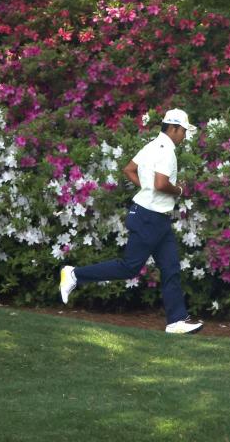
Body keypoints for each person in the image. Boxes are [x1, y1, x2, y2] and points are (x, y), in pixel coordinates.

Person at [59, 108, 203, 334]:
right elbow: (160, 184)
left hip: (155, 218)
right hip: (150, 218)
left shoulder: (152, 146)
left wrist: (146, 189)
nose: (184, 136)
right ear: (174, 128)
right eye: (184, 131)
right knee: (129, 267)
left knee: (171, 268)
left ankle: (176, 321)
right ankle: (75, 274)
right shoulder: (167, 151)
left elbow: (129, 170)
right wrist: (180, 190)